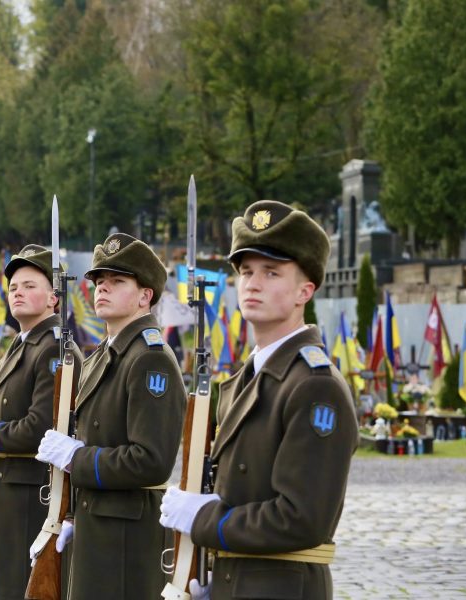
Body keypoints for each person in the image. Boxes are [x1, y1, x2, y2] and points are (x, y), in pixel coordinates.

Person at [159, 200, 359, 600]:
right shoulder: (243, 381)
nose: (253, 283)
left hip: (282, 587)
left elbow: (301, 519)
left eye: (271, 272)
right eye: (246, 271)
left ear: (305, 290)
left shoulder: (314, 386)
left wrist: (204, 518)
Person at [35, 232, 185, 599]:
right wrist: (71, 513)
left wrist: (76, 458)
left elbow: (151, 461)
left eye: (117, 281)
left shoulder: (150, 359)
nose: (102, 288)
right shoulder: (102, 355)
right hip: (96, 524)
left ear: (145, 295)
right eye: (99, 281)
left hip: (126, 538)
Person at [0, 244, 82, 600]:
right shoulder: (22, 344)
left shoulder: (54, 348)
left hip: (36, 491)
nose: (18, 293)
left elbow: (38, 430)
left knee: (21, 586)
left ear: (54, 297)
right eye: (13, 287)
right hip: (13, 485)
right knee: (6, 585)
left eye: (29, 286)